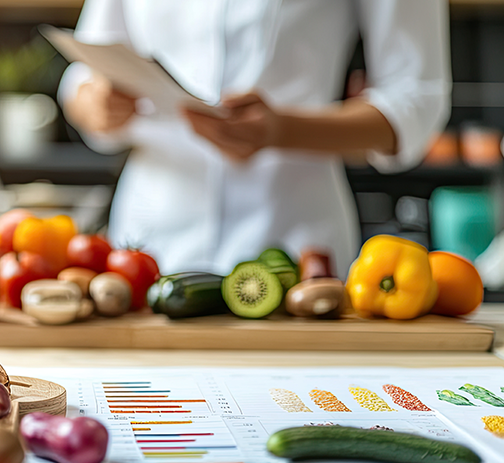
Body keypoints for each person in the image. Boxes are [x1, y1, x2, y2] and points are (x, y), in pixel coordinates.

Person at [57, 0, 451, 277]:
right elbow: (85, 69)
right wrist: (94, 103)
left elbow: (417, 99)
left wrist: (282, 130)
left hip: (292, 240)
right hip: (146, 243)